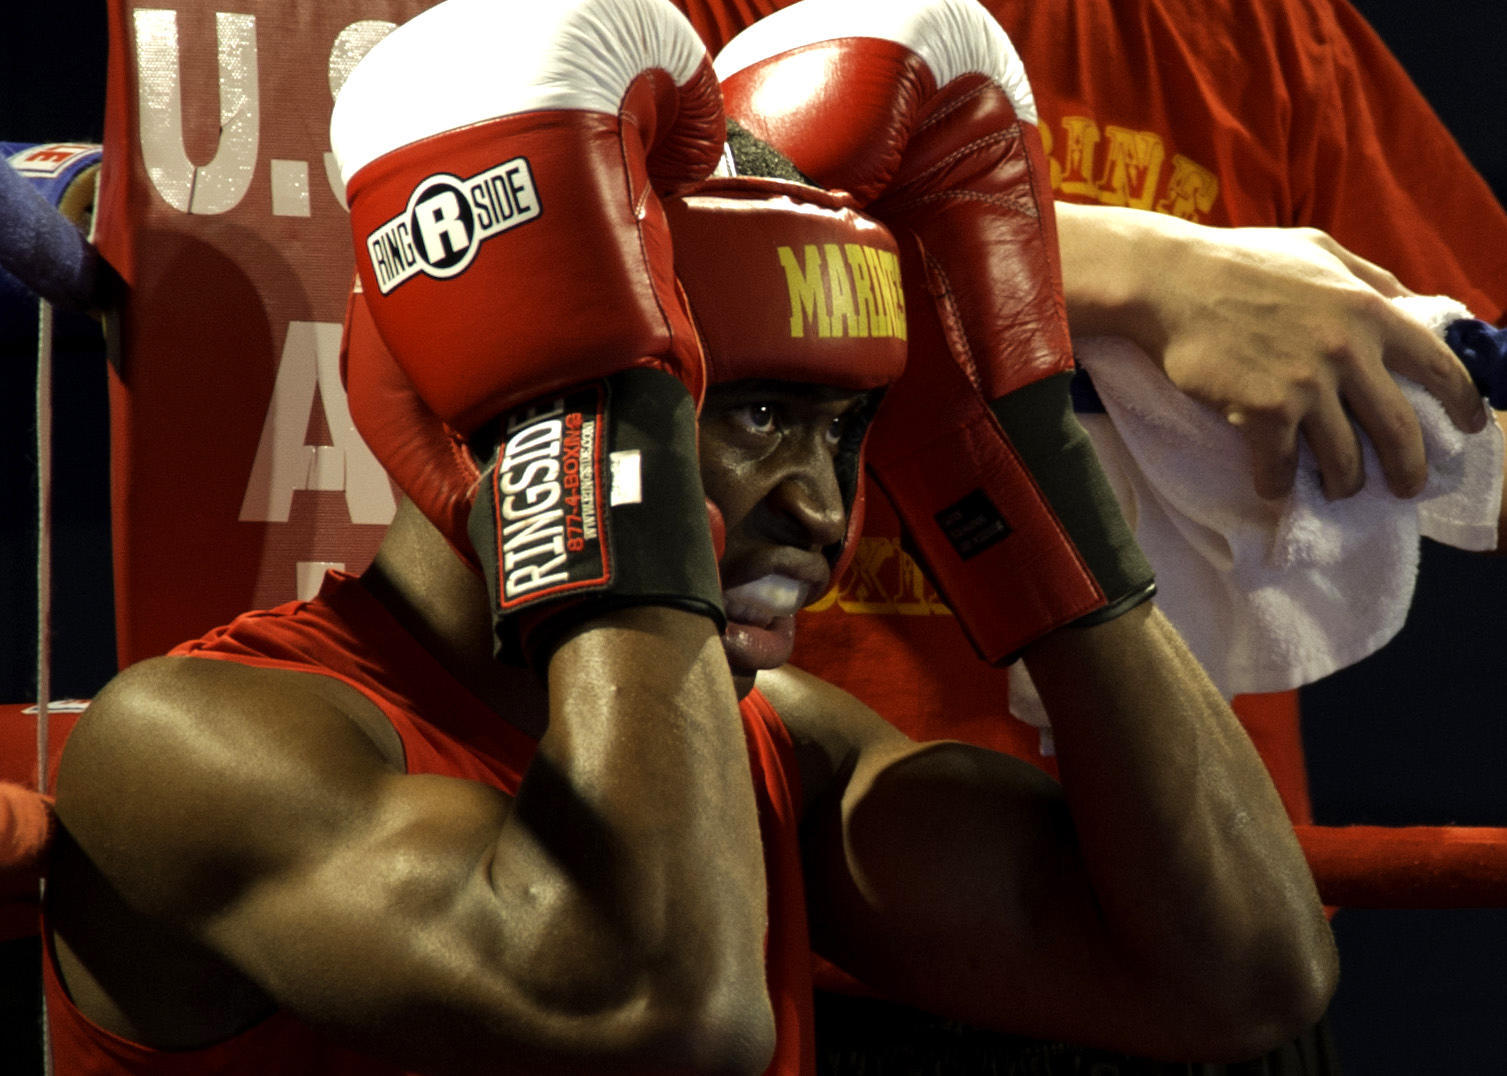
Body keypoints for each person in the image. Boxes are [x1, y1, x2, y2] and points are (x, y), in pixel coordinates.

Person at [41, 1, 1335, 1072]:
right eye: (758, 413)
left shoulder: (774, 740)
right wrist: (592, 433)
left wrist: (1023, 466)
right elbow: (654, 1010)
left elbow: (1238, 981)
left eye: (846, 429)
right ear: (511, 401)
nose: (823, 508)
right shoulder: (194, 745)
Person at [669, 0, 1507, 1071]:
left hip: (1202, 904)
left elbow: (1479, 415)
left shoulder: (1262, 31)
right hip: (823, 915)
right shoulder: (677, 24)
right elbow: (577, 259)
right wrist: (1134, 271)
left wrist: (1401, 397)